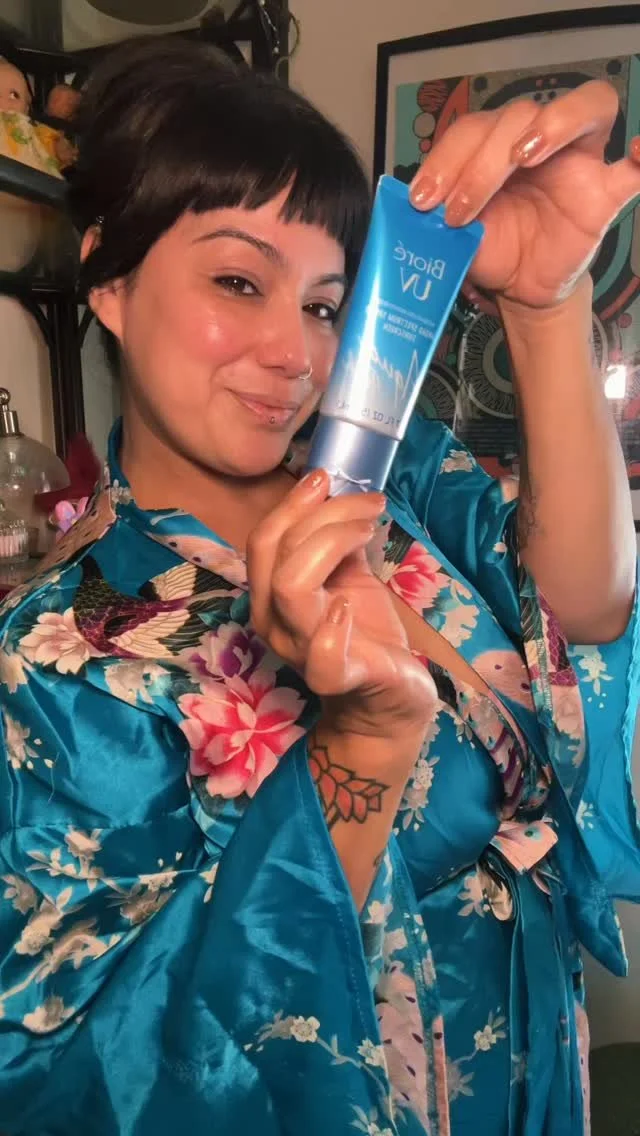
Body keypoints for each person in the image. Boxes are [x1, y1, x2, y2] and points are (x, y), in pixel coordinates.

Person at [0, 34, 638, 1136]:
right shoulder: (62, 651)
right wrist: (361, 744)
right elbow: (106, 1078)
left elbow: (583, 609)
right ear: (108, 278)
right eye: (238, 281)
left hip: (533, 1063)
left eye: (324, 304)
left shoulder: (395, 475)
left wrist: (545, 309)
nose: (294, 353)